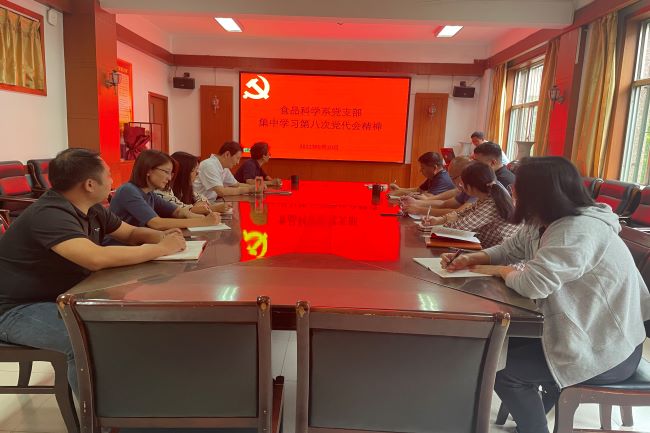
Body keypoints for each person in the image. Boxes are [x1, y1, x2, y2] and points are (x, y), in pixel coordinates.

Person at [440, 156, 650, 433]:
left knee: (501, 370)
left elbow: (534, 284)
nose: (511, 190)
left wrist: (500, 271)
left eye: (518, 186)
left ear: (539, 193)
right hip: (583, 331)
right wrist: (472, 258)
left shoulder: (577, 230)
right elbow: (509, 249)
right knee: (496, 347)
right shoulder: (545, 219)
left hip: (608, 348)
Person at [0, 148, 186, 395]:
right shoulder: (50, 214)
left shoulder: (92, 208)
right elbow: (95, 258)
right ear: (89, 184)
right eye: (107, 175)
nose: (111, 180)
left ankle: (140, 396)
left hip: (63, 297)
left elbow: (130, 233)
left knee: (133, 319)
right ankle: (98, 415)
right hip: (16, 310)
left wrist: (160, 237)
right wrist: (161, 249)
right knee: (87, 339)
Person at [110, 150, 220, 230]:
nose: (170, 178)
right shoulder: (128, 190)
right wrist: (203, 222)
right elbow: (156, 223)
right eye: (166, 172)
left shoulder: (149, 193)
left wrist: (197, 216)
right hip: (119, 247)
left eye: (170, 173)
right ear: (148, 170)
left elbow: (177, 211)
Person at [423, 162, 519, 248]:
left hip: (499, 256)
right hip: (488, 249)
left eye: (463, 183)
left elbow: (460, 227)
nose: (460, 185)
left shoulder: (491, 204)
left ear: (469, 186)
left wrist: (436, 228)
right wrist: (440, 220)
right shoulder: (485, 197)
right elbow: (463, 213)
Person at [155, 151, 233, 215]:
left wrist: (197, 209)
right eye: (194, 170)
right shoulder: (162, 190)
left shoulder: (185, 188)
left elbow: (202, 198)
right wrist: (213, 208)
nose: (197, 174)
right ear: (182, 172)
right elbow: (179, 210)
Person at [400, 156, 474, 216]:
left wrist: (419, 210)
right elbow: (444, 204)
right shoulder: (465, 190)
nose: (452, 182)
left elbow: (459, 213)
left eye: (452, 178)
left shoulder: (476, 191)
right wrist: (416, 203)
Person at [388, 152, 455, 197]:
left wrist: (400, 193)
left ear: (434, 168)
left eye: (423, 168)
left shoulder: (442, 179)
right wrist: (399, 189)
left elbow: (427, 197)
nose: (420, 170)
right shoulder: (434, 176)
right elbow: (418, 190)